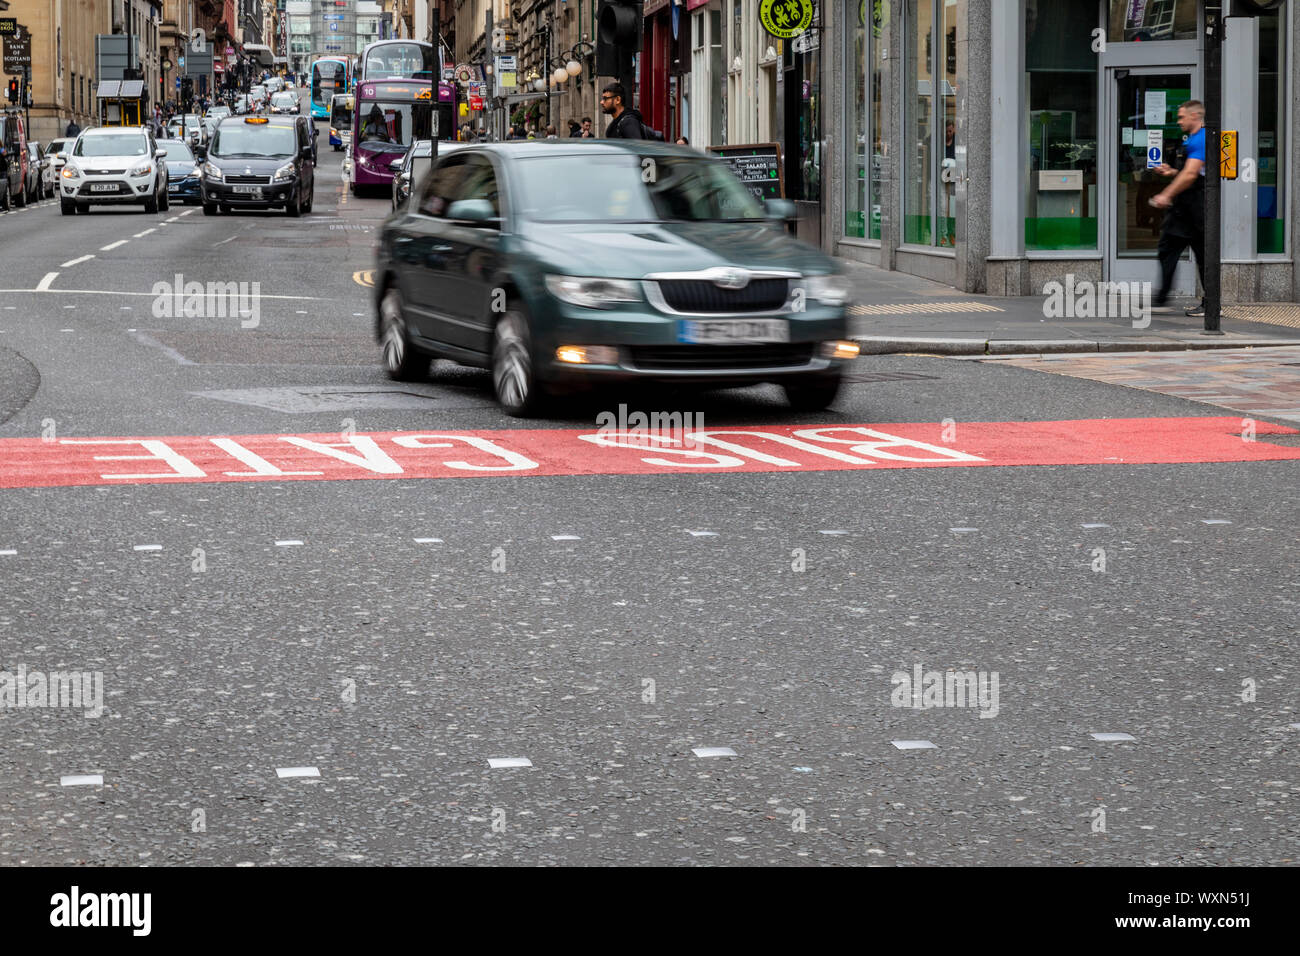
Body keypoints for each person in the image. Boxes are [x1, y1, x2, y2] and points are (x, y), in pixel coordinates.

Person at [1148, 100, 1207, 316]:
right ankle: (1162, 298)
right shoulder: (1193, 140)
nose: (1179, 121)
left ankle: (1209, 304)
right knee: (1169, 249)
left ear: (1195, 116)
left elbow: (1191, 175)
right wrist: (1172, 171)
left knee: (1201, 256)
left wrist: (1166, 194)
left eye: (1182, 117)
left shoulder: (1200, 140)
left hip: (1194, 209)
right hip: (1186, 209)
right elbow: (1190, 172)